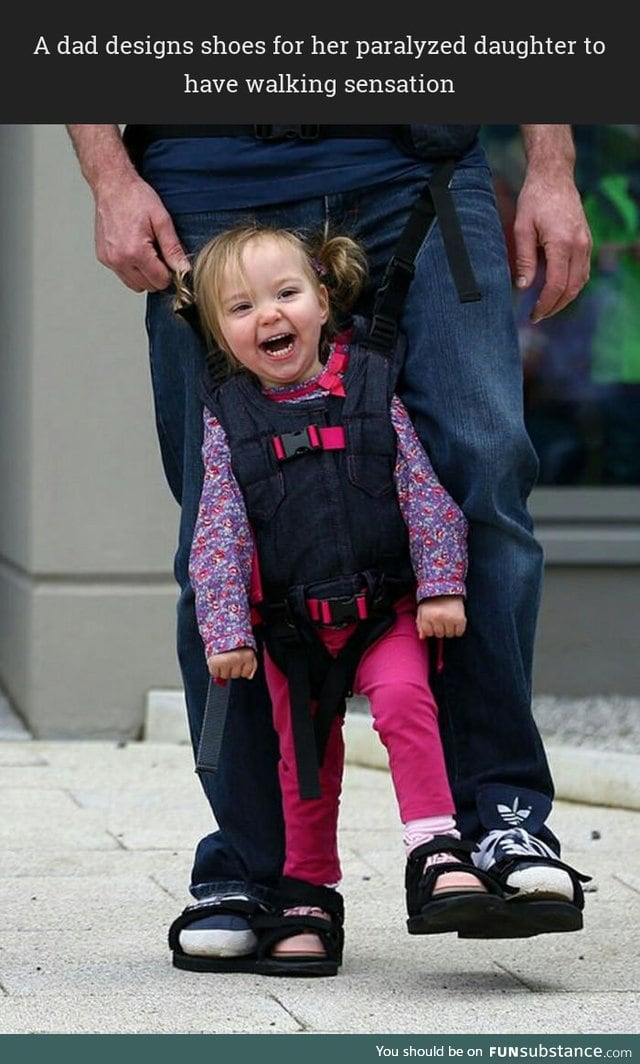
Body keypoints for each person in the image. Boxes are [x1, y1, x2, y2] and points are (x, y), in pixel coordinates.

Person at [65, 124, 592, 971]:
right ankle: (257, 867)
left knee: (483, 475)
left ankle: (502, 824)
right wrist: (108, 174)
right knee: (222, 522)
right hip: (207, 176)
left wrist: (553, 167)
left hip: (416, 166)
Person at [176, 222, 508, 975]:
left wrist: (442, 586)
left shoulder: (368, 389)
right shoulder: (228, 419)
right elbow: (218, 531)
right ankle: (308, 894)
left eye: (286, 293)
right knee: (306, 763)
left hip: (384, 614)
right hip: (293, 634)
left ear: (323, 301)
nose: (267, 315)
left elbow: (422, 493)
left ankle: (435, 848)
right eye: (239, 307)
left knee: (405, 706)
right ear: (217, 335)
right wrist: (226, 630)